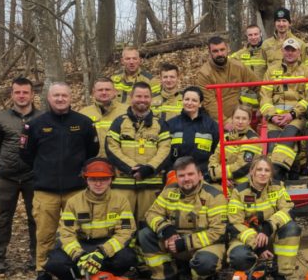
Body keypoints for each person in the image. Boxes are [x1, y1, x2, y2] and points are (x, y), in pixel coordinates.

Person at [20, 82, 100, 280]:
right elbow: (26, 154)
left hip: (77, 190)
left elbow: (92, 151)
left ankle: (80, 268)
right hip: (46, 190)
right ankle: (43, 272)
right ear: (48, 98)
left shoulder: (83, 123)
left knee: (81, 232)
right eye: (56, 96)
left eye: (64, 95)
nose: (60, 99)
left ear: (71, 97)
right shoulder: (35, 125)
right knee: (45, 234)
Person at [42, 158, 138, 280]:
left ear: (111, 179)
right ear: (86, 179)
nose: (98, 184)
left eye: (103, 179)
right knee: (54, 262)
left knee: (127, 258)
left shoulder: (121, 200)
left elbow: (126, 232)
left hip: (107, 245)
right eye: (93, 179)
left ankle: (105, 279)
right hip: (82, 245)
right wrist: (78, 255)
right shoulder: (74, 202)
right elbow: (66, 233)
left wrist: (102, 253)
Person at [138, 156, 229, 280]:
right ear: (176, 177)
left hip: (204, 245)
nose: (186, 179)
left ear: (200, 175)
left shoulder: (214, 196)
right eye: (181, 175)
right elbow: (151, 214)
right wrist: (167, 230)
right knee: (145, 234)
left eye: (190, 174)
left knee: (205, 264)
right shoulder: (169, 191)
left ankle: (203, 277)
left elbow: (218, 232)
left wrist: (185, 243)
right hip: (174, 241)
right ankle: (166, 276)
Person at [0, 76, 39, 274]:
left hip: (33, 176)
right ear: (12, 95)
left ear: (32, 94)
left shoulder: (42, 118)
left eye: (25, 92)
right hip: (6, 177)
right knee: (3, 218)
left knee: (36, 218)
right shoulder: (0, 119)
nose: (22, 96)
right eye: (17, 92)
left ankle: (37, 257)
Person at [226, 158, 305, 280]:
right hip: (246, 237)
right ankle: (253, 276)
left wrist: (267, 228)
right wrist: (257, 246)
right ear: (252, 172)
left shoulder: (278, 187)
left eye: (267, 170)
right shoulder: (239, 192)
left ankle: (281, 274)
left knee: (291, 228)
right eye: (259, 169)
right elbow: (235, 224)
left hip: (269, 234)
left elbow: (288, 210)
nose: (263, 173)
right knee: (238, 257)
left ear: (271, 174)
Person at [106, 82, 171, 224]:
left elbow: (165, 149)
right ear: (131, 97)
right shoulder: (119, 122)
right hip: (124, 184)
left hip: (151, 183)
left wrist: (148, 168)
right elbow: (111, 148)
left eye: (146, 96)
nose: (142, 99)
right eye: (138, 96)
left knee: (148, 222)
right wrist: (132, 167)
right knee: (122, 223)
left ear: (151, 99)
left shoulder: (160, 124)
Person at [259, 37, 308, 180]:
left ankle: (277, 178)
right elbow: (264, 97)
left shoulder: (307, 72)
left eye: (293, 50)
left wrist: (292, 114)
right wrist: (272, 116)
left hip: (296, 117)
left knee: (287, 139)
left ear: (299, 52)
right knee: (273, 146)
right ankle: (291, 175)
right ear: (282, 51)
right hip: (274, 118)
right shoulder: (271, 71)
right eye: (287, 50)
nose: (290, 53)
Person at [193, 35, 260, 123]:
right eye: (215, 51)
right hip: (215, 121)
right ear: (210, 53)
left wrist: (262, 107)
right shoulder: (204, 74)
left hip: (239, 117)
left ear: (227, 49)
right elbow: (209, 103)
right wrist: (225, 122)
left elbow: (258, 86)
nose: (220, 54)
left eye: (222, 50)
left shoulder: (238, 67)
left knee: (253, 137)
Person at [165, 86, 221, 180]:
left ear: (200, 104)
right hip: (177, 176)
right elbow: (165, 152)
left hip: (204, 176)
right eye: (187, 99)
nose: (189, 103)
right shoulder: (170, 124)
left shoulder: (212, 126)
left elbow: (218, 153)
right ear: (182, 101)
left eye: (194, 100)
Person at [209, 107, 263, 184]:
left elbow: (241, 168)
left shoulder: (253, 140)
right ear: (232, 119)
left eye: (244, 119)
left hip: (244, 186)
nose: (240, 122)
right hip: (222, 181)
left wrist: (216, 174)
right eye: (237, 118)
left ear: (249, 121)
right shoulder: (226, 136)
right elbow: (215, 158)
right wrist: (218, 176)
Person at [79, 77, 127, 158]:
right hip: (93, 165)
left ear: (115, 92)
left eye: (107, 89)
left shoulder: (126, 111)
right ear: (93, 92)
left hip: (120, 164)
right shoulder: (84, 113)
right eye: (100, 90)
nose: (104, 92)